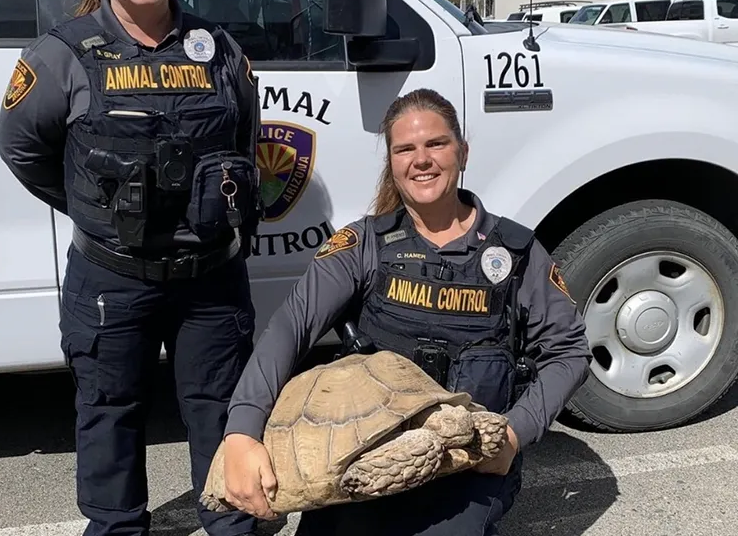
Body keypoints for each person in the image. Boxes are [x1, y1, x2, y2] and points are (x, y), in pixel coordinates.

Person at [0, 0, 262, 536]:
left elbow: (245, 144)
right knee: (109, 412)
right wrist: (100, 212)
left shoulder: (221, 52)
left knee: (223, 410)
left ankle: (230, 522)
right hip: (112, 275)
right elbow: (24, 149)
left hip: (210, 277)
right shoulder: (62, 56)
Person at [217, 88, 593, 535]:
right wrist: (240, 430)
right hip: (366, 454)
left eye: (436, 144)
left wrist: (513, 434)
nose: (422, 159)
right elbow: (290, 329)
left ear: (463, 152)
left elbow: (569, 352)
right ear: (392, 163)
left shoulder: (515, 253)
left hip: (466, 464)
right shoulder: (364, 245)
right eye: (405, 149)